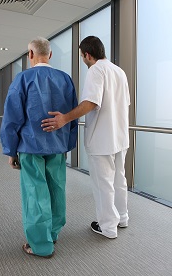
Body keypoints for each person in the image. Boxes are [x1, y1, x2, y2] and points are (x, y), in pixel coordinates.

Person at [41, 36, 130, 239]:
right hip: (120, 137)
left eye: (82, 56)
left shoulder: (96, 70)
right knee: (119, 179)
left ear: (87, 55)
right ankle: (122, 217)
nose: (83, 60)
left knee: (103, 184)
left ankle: (108, 226)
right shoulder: (119, 72)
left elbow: (90, 102)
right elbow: (125, 104)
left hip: (102, 140)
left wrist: (65, 118)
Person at [0, 37, 78, 257]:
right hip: (57, 145)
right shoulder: (65, 79)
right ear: (50, 55)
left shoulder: (23, 79)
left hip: (30, 145)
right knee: (56, 189)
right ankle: (52, 234)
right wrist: (67, 143)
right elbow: (71, 115)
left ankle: (40, 245)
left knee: (35, 193)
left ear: (30, 55)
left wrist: (10, 151)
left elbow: (12, 118)